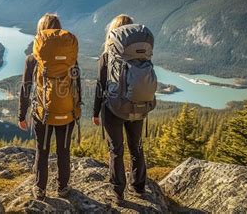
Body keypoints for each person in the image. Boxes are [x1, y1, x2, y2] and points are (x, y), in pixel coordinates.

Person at [93, 14, 157, 200]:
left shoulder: (107, 56)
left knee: (116, 149)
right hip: (138, 106)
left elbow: (100, 86)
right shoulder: (142, 55)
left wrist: (96, 112)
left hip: (114, 108)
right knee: (136, 146)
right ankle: (138, 187)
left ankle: (117, 191)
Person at [18, 13, 81, 201]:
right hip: (67, 112)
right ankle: (63, 188)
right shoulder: (70, 57)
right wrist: (76, 108)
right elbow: (77, 84)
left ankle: (40, 190)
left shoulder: (33, 58)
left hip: (42, 113)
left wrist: (22, 115)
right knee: (64, 150)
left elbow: (26, 88)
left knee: (42, 150)